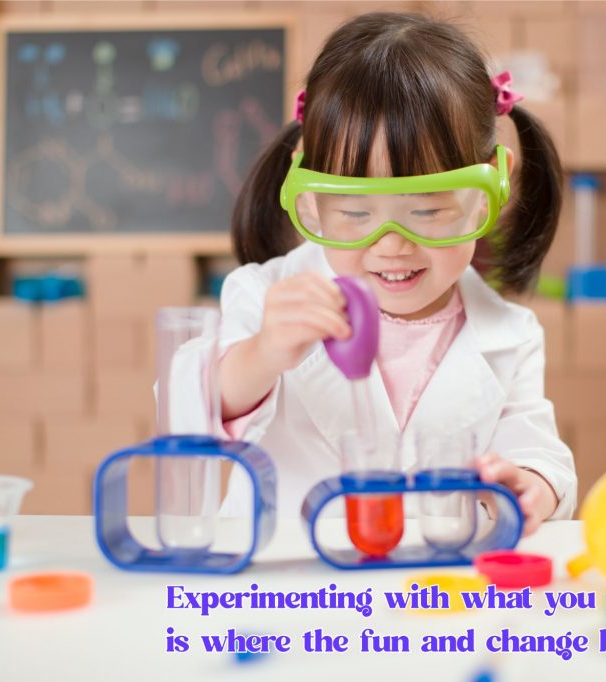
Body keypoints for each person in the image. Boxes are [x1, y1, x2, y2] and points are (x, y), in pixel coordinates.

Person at [179, 11, 576, 531]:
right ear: (313, 196)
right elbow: (187, 410)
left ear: (489, 193)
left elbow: (534, 448)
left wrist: (532, 488)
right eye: (356, 213)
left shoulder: (512, 335)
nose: (391, 245)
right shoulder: (262, 298)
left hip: (430, 589)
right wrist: (262, 354)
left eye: (428, 211)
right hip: (286, 585)